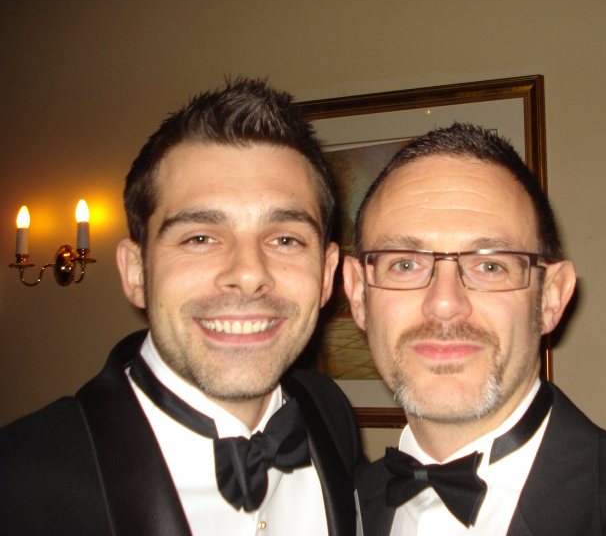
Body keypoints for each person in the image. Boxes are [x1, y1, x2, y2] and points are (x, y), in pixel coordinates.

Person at [0, 78, 364, 536]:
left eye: (286, 239)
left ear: (328, 272)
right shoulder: (18, 480)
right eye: (200, 238)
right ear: (136, 271)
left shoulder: (328, 414)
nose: (249, 273)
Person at [343, 123, 606, 535]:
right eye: (405, 264)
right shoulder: (334, 510)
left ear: (551, 299)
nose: (445, 302)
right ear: (359, 295)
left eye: (490, 266)